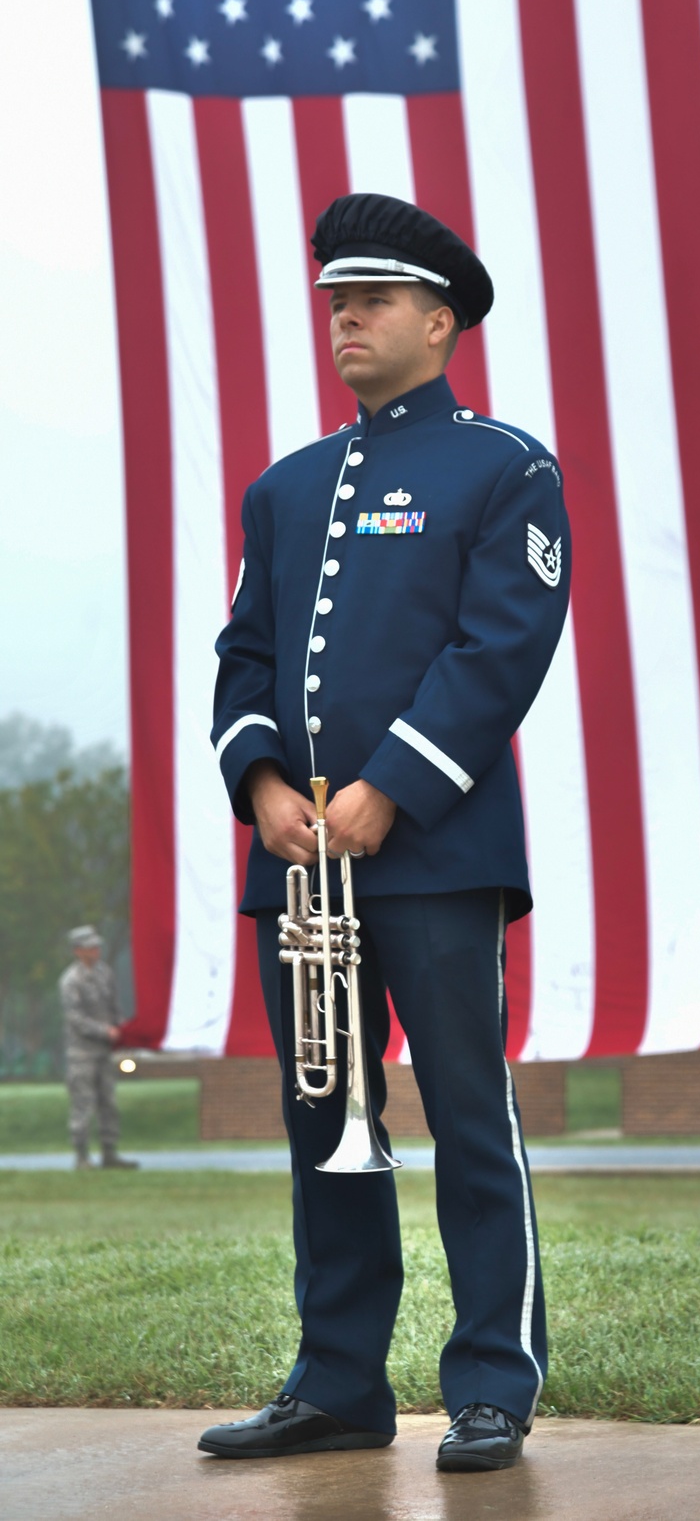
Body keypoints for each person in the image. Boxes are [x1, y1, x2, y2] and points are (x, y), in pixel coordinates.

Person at [200, 194, 571, 1474]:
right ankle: (340, 1380)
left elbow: (498, 651)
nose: (343, 319)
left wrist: (387, 790)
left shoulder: (504, 465)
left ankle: (490, 1382)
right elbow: (243, 659)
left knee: (469, 1111)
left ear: (440, 319)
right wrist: (261, 789)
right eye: (332, 303)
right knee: (324, 1122)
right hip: (299, 862)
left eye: (369, 300)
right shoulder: (285, 488)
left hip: (436, 854)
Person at [58, 925, 137, 1171]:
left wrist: (122, 1029)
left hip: (104, 1052)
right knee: (83, 1105)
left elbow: (114, 1006)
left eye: (97, 946)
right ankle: (82, 1156)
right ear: (78, 951)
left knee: (108, 1103)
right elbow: (75, 1019)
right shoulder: (71, 980)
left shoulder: (105, 973)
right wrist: (105, 1031)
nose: (96, 950)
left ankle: (109, 1153)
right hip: (82, 1054)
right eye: (91, 947)